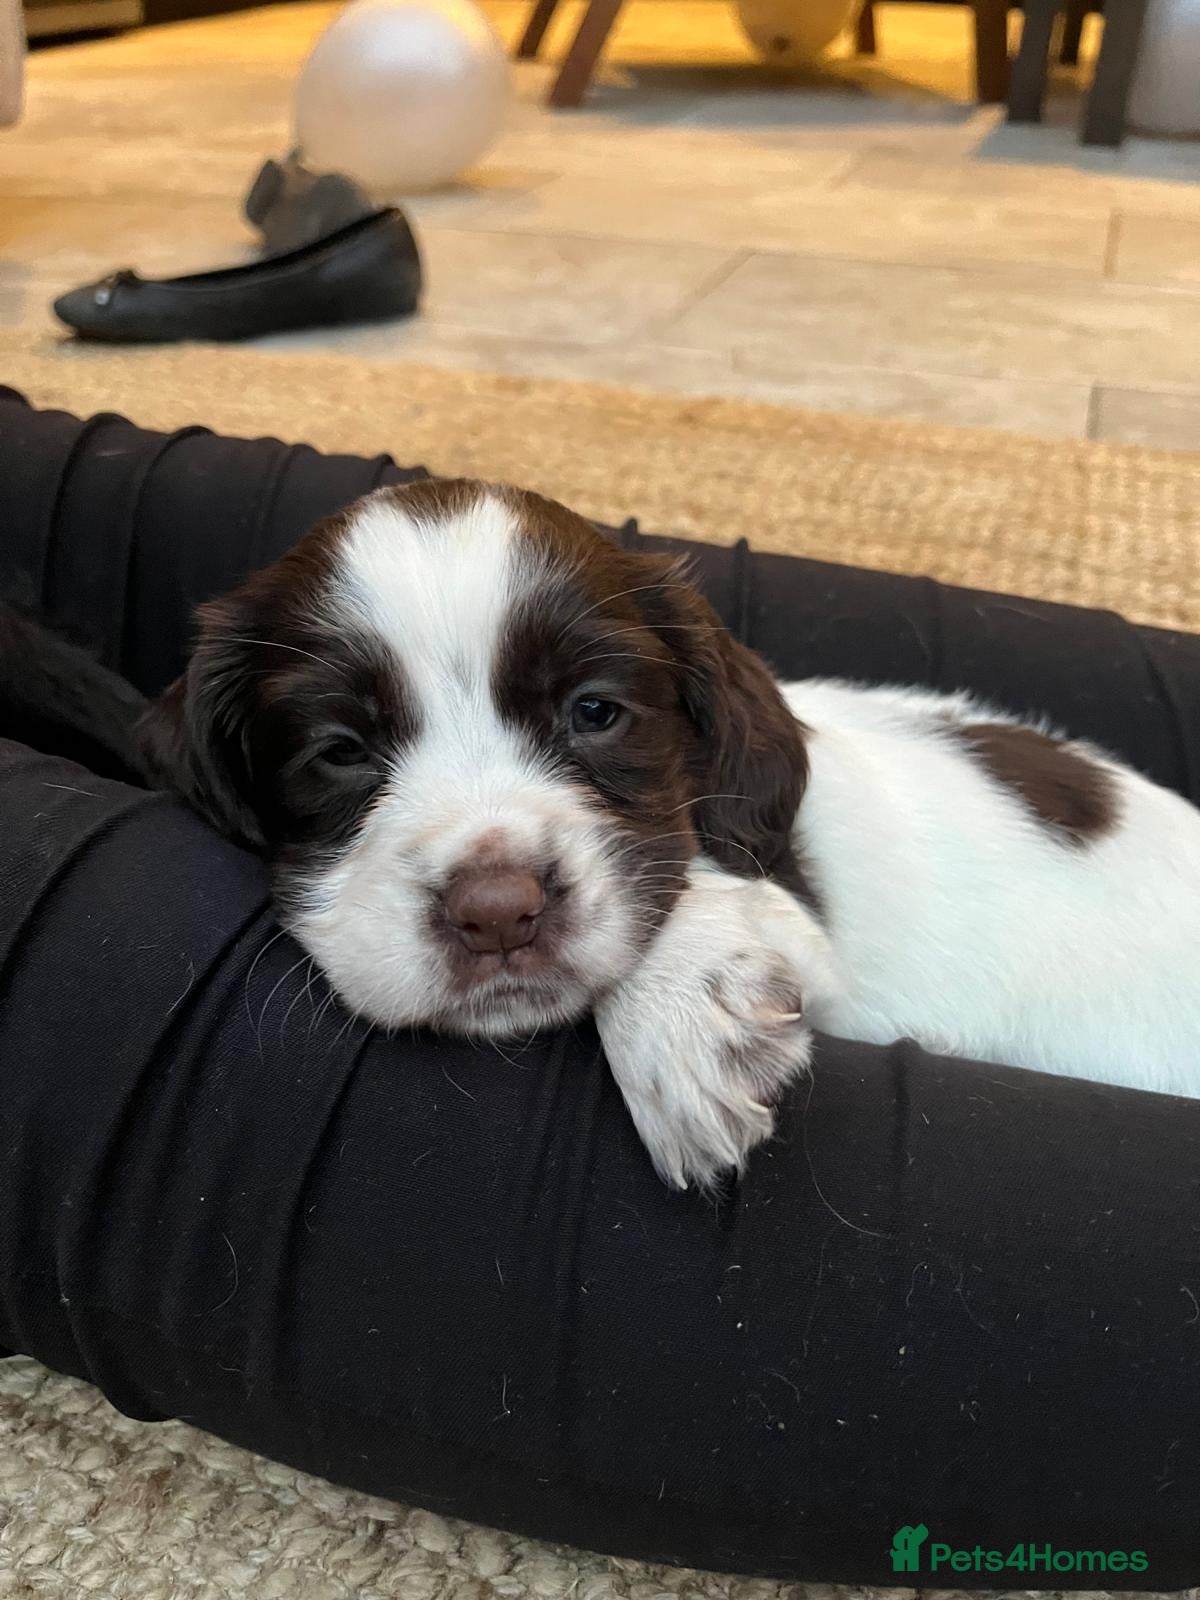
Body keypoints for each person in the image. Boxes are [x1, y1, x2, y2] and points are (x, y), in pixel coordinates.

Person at [1, 386, 1198, 1588]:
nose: (497, 891)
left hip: (1129, 1009)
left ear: (702, 724)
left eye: (592, 713)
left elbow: (778, 935)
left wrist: (688, 935)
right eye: (344, 749)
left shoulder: (744, 805)